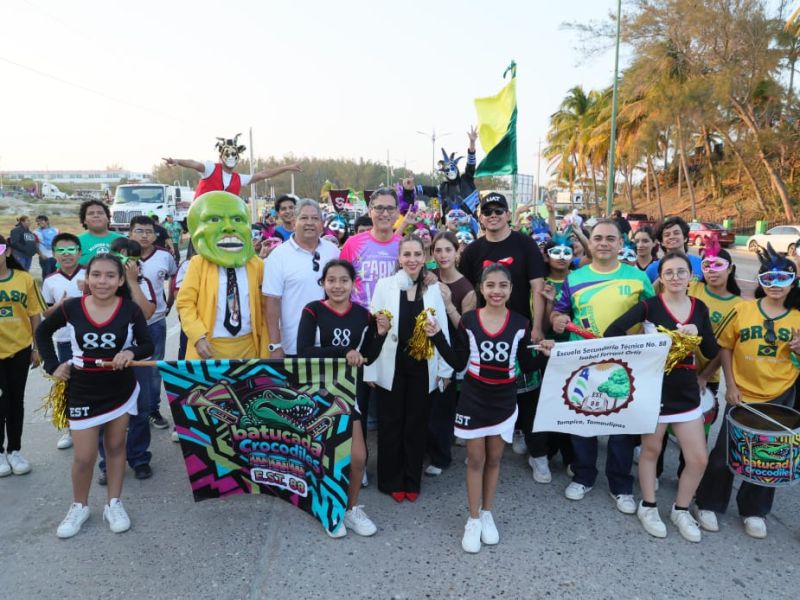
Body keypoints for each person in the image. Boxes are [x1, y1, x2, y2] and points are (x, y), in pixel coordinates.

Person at [424, 264, 554, 553]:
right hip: (473, 397)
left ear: (511, 289)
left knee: (495, 459)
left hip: (504, 400)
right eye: (490, 285)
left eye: (503, 286)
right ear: (481, 289)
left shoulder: (521, 323)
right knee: (474, 459)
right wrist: (435, 336)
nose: (497, 291)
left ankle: (487, 513)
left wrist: (544, 354)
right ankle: (472, 518)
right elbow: (458, 363)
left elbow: (526, 364)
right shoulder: (468, 321)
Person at [36, 254, 154, 538]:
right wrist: (54, 366)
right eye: (97, 275)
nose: (103, 281)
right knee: (84, 456)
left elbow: (146, 343)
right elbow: (42, 332)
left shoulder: (130, 310)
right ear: (87, 278)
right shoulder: (72, 307)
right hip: (83, 389)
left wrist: (130, 352)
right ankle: (79, 506)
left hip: (120, 389)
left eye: (110, 276)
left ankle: (113, 503)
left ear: (120, 280)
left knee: (115, 447)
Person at [606, 253, 719, 542]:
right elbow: (613, 331)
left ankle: (681, 508)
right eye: (669, 273)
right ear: (661, 277)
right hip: (653, 388)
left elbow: (711, 347)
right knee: (651, 451)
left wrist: (696, 334)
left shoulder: (699, 308)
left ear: (691, 277)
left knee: (698, 458)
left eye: (682, 272)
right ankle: (649, 505)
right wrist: (646, 343)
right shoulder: (649, 306)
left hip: (685, 391)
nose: (675, 278)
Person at [693, 244, 800, 539]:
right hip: (742, 395)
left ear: (793, 282)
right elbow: (726, 347)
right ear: (760, 280)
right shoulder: (743, 309)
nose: (775, 285)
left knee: (769, 456)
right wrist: (731, 384)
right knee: (723, 453)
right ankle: (708, 503)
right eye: (768, 278)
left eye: (782, 278)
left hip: (780, 395)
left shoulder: (798, 317)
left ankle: (754, 510)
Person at [551, 219, 655, 514]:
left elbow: (653, 316)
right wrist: (557, 320)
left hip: (626, 364)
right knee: (583, 419)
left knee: (621, 425)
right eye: (598, 238)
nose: (604, 243)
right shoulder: (575, 277)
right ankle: (584, 475)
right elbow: (560, 313)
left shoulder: (638, 278)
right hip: (584, 362)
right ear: (590, 242)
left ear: (622, 244)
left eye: (611, 238)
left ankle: (620, 484)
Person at [296, 259, 390, 538]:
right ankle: (329, 510)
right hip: (317, 393)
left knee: (358, 458)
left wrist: (381, 335)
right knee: (324, 457)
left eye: (344, 280)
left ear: (353, 283)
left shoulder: (363, 315)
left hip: (349, 393)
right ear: (323, 283)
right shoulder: (312, 310)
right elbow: (303, 351)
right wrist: (343, 353)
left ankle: (350, 510)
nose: (337, 286)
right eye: (332, 280)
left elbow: (368, 356)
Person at [458, 192, 547, 459]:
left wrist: (538, 326)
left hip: (520, 327)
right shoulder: (473, 250)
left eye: (499, 211)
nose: (493, 216)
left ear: (508, 214)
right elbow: (467, 292)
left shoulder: (525, 244)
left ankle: (536, 451)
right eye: (488, 212)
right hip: (484, 330)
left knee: (528, 389)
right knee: (484, 382)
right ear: (480, 217)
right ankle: (481, 431)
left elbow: (538, 287)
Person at [366, 234, 452, 502]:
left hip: (422, 366)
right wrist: (370, 369)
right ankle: (391, 480)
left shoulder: (433, 289)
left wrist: (445, 370)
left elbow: (443, 330)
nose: (412, 260)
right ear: (399, 258)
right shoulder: (385, 285)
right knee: (391, 424)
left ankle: (411, 481)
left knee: (416, 425)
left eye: (417, 254)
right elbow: (373, 328)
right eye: (407, 254)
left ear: (424, 257)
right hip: (390, 364)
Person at [340, 189, 403, 443]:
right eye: (379, 208)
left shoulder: (403, 244)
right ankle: (358, 460)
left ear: (398, 213)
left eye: (390, 208)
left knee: (391, 397)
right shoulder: (354, 244)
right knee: (358, 402)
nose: (385, 213)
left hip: (395, 328)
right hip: (360, 326)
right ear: (370, 211)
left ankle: (392, 459)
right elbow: (340, 281)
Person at [92, 238, 158, 483]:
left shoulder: (143, 283)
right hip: (103, 362)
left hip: (136, 359)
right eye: (119, 258)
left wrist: (131, 281)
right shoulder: (98, 287)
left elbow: (148, 312)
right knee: (103, 414)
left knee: (140, 411)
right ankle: (107, 463)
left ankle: (139, 458)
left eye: (131, 259)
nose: (125, 264)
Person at [177, 191, 269, 360]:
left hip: (249, 347)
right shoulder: (198, 264)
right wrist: (198, 337)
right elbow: (185, 303)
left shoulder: (257, 265)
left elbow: (266, 309)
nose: (229, 227)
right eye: (215, 219)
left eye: (237, 219)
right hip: (209, 348)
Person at [425, 231, 476, 476]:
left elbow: (465, 331)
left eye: (448, 250)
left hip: (449, 351)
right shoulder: (428, 277)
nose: (443, 255)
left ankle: (441, 457)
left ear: (457, 252)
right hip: (424, 348)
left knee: (442, 406)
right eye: (438, 250)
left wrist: (448, 305)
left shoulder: (466, 288)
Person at [262, 199, 339, 358]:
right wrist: (275, 345)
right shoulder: (278, 256)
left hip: (331, 345)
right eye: (304, 218)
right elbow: (272, 303)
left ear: (322, 223)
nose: (309, 223)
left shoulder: (333, 252)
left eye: (315, 218)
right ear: (294, 221)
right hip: (294, 346)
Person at [0, 235, 44, 477]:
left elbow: (35, 315)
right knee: (0, 402)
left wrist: (37, 348)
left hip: (19, 349)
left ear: (7, 252)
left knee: (16, 401)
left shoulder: (24, 279)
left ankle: (15, 449)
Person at [128, 216, 177, 429]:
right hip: (126, 324)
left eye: (149, 231)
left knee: (154, 367)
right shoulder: (121, 255)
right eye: (139, 231)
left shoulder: (165, 256)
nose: (145, 235)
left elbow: (174, 277)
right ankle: (129, 410)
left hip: (155, 321)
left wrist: (170, 303)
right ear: (130, 233)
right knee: (128, 367)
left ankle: (152, 408)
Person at [41, 233, 86, 451]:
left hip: (89, 338)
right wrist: (61, 305)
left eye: (71, 250)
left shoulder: (90, 274)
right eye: (61, 251)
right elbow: (46, 313)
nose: (67, 255)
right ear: (54, 254)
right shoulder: (50, 281)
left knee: (94, 382)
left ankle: (100, 423)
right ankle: (71, 428)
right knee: (69, 385)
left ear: (79, 252)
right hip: (65, 340)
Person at [163, 135, 301, 198]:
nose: (230, 157)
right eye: (227, 154)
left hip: (224, 218)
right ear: (221, 155)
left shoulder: (239, 178)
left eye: (233, 154)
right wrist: (177, 161)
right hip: (203, 215)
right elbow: (194, 163)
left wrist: (287, 167)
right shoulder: (211, 168)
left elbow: (263, 174)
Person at [645, 216, 704, 283]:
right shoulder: (652, 269)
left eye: (676, 233)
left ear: (685, 238)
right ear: (662, 242)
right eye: (667, 235)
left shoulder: (700, 264)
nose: (672, 237)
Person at [77, 200, 122, 265]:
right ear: (84, 220)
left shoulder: (122, 240)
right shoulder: (76, 242)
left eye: (100, 213)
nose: (96, 215)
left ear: (108, 218)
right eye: (91, 213)